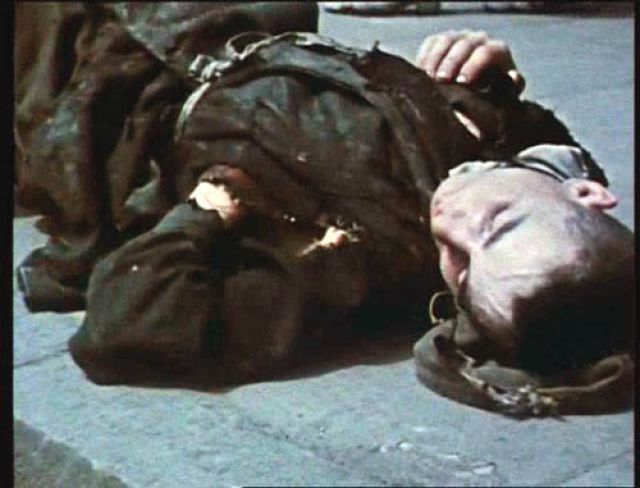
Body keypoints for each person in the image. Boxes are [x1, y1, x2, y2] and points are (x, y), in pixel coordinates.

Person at [15, 5, 633, 416]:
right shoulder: (530, 158)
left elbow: (125, 326)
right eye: (498, 223)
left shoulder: (349, 267)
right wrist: (485, 66)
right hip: (218, 33)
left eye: (463, 268)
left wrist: (205, 211)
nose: (451, 224)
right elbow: (546, 146)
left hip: (107, 91)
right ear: (583, 193)